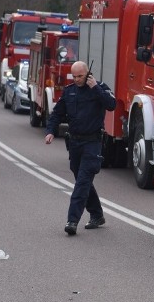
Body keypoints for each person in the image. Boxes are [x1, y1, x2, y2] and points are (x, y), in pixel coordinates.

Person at [44, 61, 116, 235]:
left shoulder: (99, 88)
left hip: (92, 143)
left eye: (80, 76)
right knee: (82, 181)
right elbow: (57, 113)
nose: (76, 79)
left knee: (82, 183)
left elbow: (112, 105)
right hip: (75, 144)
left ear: (88, 74)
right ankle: (97, 215)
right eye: (74, 76)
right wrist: (51, 131)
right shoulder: (70, 91)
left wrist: (95, 88)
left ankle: (72, 220)